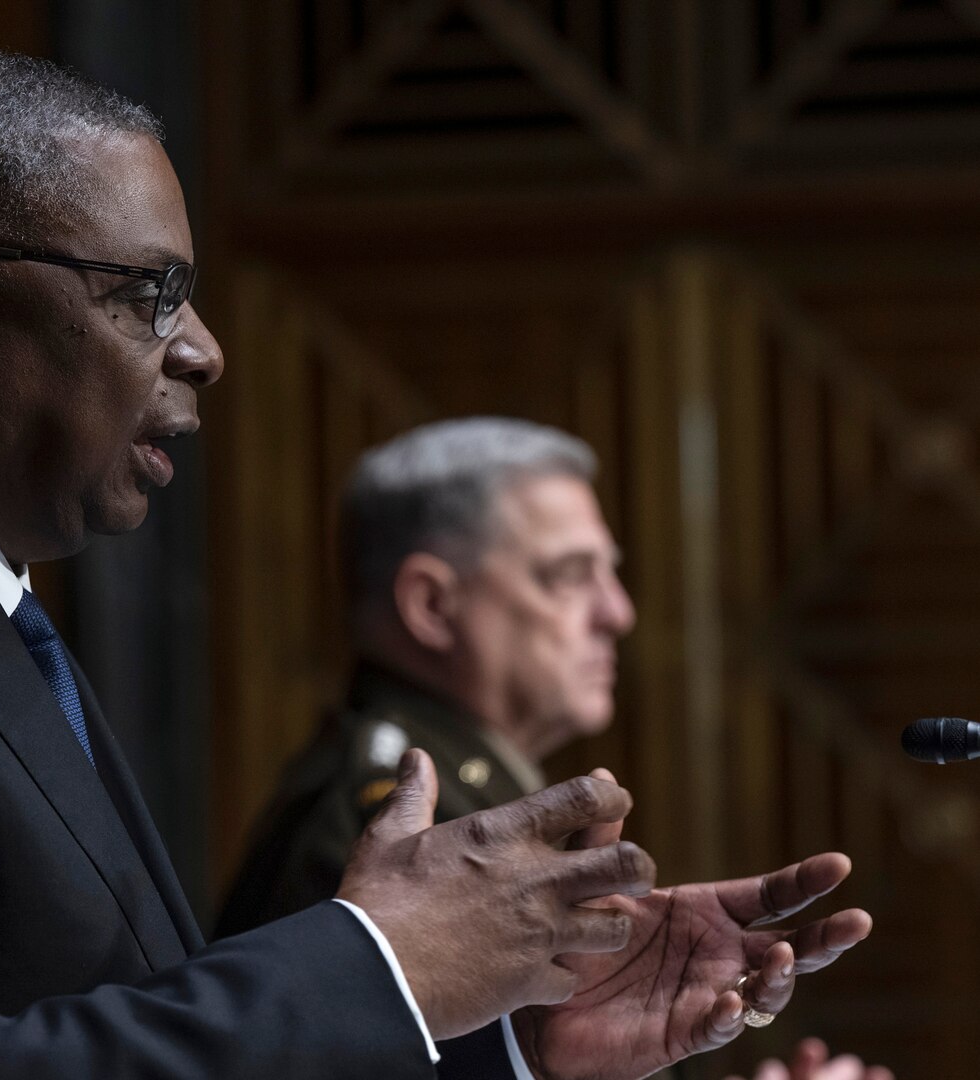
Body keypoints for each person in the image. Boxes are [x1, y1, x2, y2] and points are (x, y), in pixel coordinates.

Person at [0, 51, 871, 1080]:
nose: (203, 349)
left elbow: (106, 1028)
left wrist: (494, 1036)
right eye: (149, 295)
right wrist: (378, 967)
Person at [218, 418, 890, 1079]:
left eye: (610, 573)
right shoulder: (390, 832)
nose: (617, 612)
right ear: (432, 604)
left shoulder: (465, 803)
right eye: (570, 575)